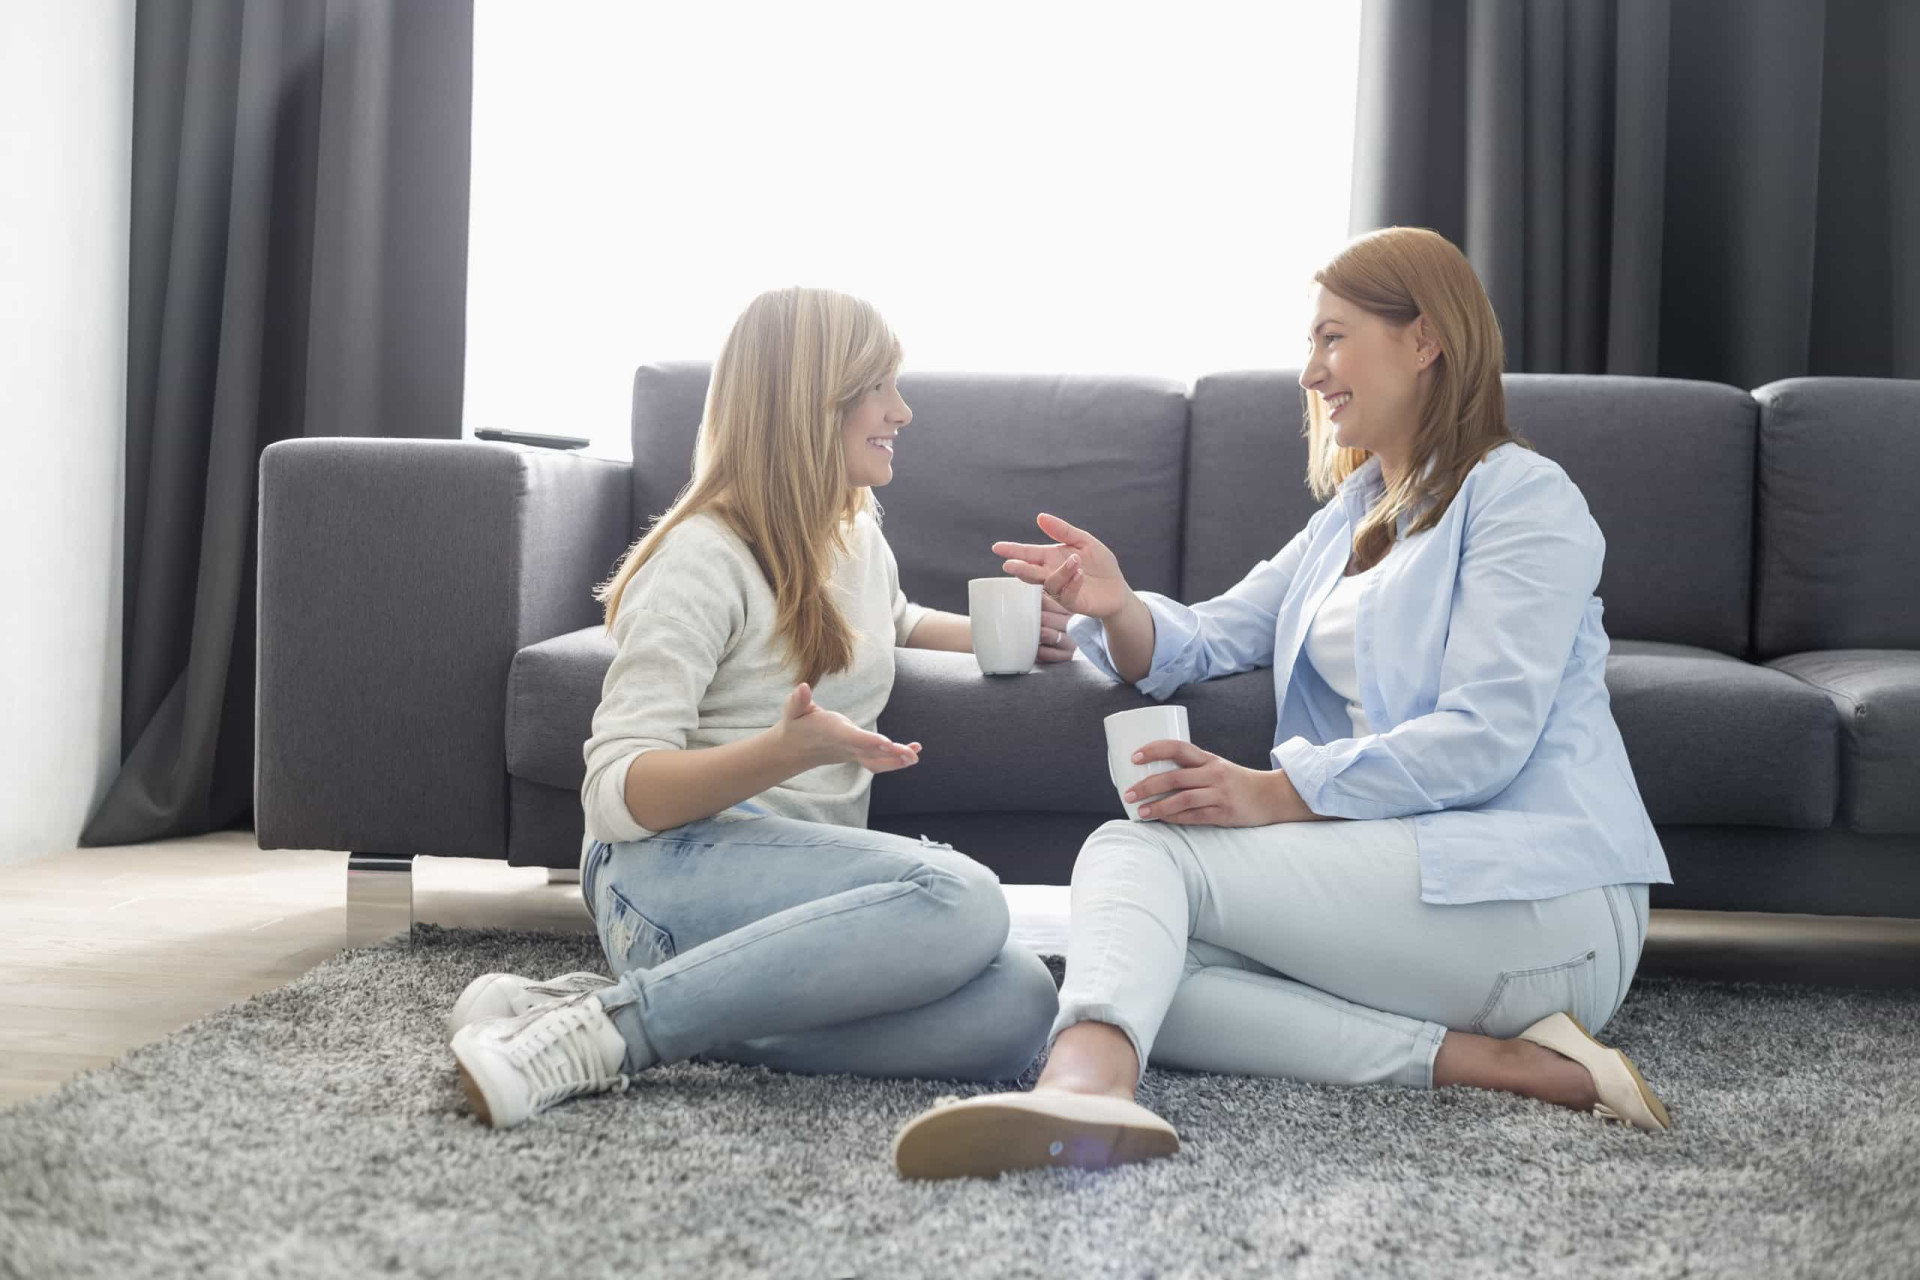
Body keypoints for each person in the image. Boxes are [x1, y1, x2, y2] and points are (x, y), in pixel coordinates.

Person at [892, 227, 1674, 1181]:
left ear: (1425, 340)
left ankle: (1084, 1091)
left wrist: (1272, 793)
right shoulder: (1354, 515)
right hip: (1412, 883)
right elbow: (1212, 637)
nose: (1312, 372)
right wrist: (1116, 602)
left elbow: (1485, 741)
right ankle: (1503, 1065)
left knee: (1134, 853)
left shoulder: (1523, 498)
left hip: (1537, 891)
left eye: (1333, 338)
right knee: (1140, 960)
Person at [446, 286, 1069, 1129]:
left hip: (791, 900)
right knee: (962, 896)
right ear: (813, 400)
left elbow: (893, 621)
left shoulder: (853, 534)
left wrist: (1015, 635)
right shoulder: (702, 557)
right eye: (878, 386)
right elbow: (617, 792)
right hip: (663, 877)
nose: (903, 410)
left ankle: (575, 1004)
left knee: (1020, 1004)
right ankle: (609, 1036)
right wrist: (779, 754)